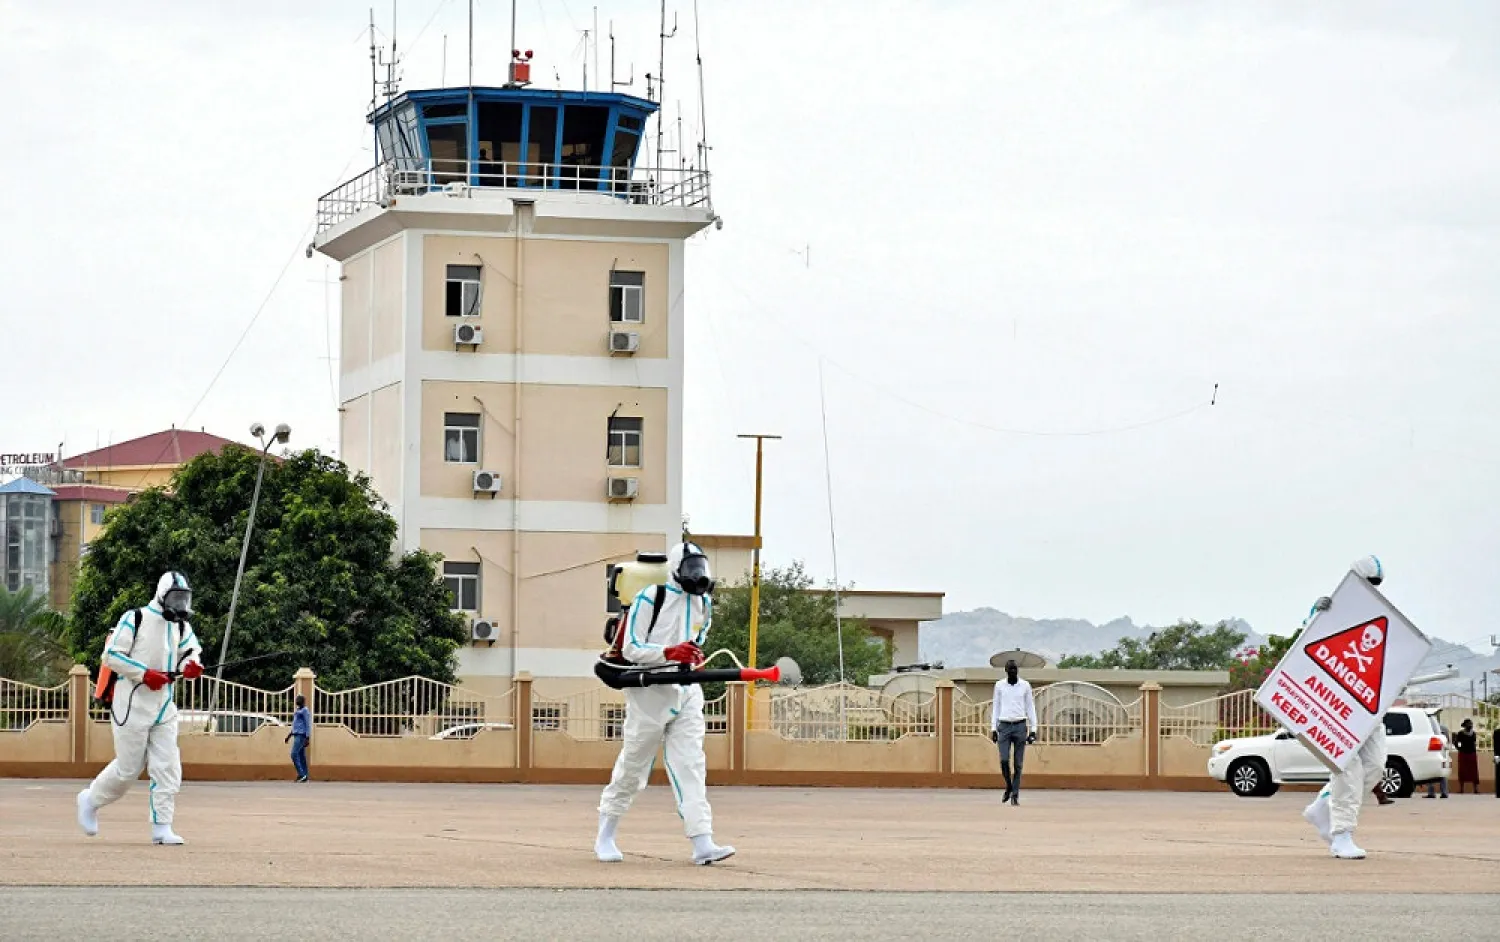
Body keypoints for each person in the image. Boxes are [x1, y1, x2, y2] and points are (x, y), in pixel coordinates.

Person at [595, 541, 735, 866]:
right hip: (649, 690)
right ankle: (605, 835)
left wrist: (690, 655)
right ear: (675, 569)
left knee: (691, 765)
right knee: (634, 765)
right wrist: (668, 653)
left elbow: (698, 639)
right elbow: (631, 649)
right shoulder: (651, 597)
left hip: (686, 688)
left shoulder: (704, 603)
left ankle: (703, 843)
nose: (697, 577)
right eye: (690, 569)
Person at [77, 572, 203, 845]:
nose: (180, 604)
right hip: (131, 702)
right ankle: (91, 799)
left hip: (164, 705)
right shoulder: (135, 618)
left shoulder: (181, 626)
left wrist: (190, 666)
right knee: (127, 769)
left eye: (184, 598)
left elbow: (190, 651)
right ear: (162, 595)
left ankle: (162, 827)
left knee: (167, 765)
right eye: (175, 598)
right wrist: (144, 674)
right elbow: (110, 656)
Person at [1301, 555, 1389, 860]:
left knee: (1375, 766)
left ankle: (1323, 806)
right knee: (1347, 770)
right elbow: (1307, 644)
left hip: (1368, 707)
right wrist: (1315, 615)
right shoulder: (1331, 609)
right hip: (1336, 708)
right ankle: (1341, 835)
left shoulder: (1382, 617)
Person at [990, 659, 1038, 806]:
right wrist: (993, 728)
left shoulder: (1025, 685)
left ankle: (1015, 794)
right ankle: (1009, 786)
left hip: (1019, 725)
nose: (1012, 672)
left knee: (1018, 764)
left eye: (1014, 670)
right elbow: (996, 706)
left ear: (1017, 671)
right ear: (1006, 671)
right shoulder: (999, 685)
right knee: (1004, 760)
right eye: (1010, 670)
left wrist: (1034, 729)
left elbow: (1030, 707)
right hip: (1004, 725)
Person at [285, 695, 311, 783]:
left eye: (299, 700)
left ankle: (302, 774)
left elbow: (307, 724)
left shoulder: (305, 711)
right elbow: (295, 724)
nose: (297, 701)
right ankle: (305, 775)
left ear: (303, 701)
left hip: (301, 735)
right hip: (296, 734)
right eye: (297, 699)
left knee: (293, 754)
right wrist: (289, 735)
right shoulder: (297, 710)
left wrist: (307, 737)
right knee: (301, 756)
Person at [1453, 719, 1480, 794]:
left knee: (1474, 771)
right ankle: (1461, 789)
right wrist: (1459, 748)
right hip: (1463, 754)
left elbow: (1474, 743)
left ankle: (1475, 789)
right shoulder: (1460, 733)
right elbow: (1457, 742)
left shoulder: (1474, 733)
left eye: (1471, 724)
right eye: (1468, 724)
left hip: (1472, 754)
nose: (1470, 726)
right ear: (1465, 725)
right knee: (1462, 771)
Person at [1425, 724, 1451, 799]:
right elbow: (1448, 741)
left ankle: (1431, 793)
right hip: (1442, 753)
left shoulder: (1428, 727)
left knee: (1430, 773)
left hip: (1432, 753)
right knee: (1443, 773)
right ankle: (1444, 792)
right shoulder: (1444, 728)